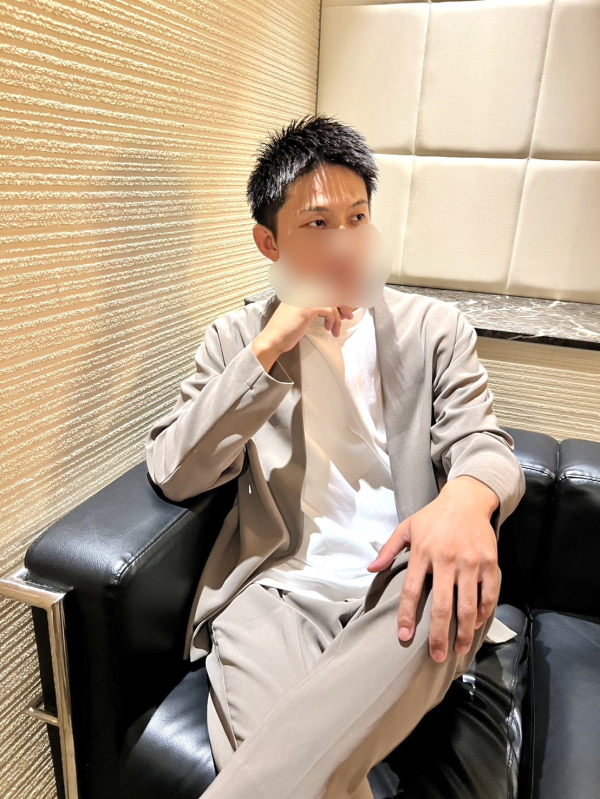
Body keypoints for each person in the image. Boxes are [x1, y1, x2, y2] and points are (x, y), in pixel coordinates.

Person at [145, 113, 526, 799]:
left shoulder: (433, 329)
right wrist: (270, 346)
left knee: (448, 580)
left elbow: (481, 442)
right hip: (277, 592)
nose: (346, 242)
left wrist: (467, 502)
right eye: (318, 224)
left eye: (357, 217)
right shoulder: (235, 338)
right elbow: (175, 471)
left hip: (405, 576)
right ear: (269, 242)